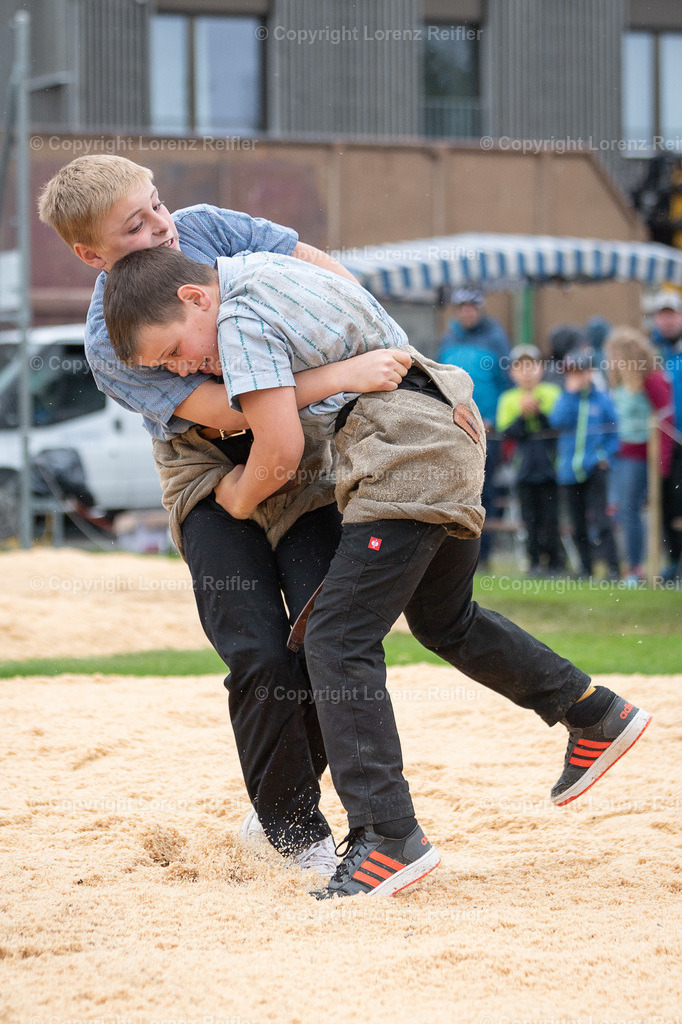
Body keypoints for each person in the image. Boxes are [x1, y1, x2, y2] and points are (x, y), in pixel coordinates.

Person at [103, 246, 652, 901]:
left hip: (402, 460)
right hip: (444, 435)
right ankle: (593, 713)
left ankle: (388, 838)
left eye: (175, 352)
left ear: (197, 297)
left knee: (336, 637)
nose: (182, 368)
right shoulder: (273, 268)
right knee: (445, 619)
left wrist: (233, 499)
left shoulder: (238, 320)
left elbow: (277, 448)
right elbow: (362, 315)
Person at [38, 154, 412, 876]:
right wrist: (340, 375)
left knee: (327, 633)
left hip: (297, 463)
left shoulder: (208, 228)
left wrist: (374, 338)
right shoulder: (108, 339)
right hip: (210, 474)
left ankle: (286, 801)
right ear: (91, 254)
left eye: (155, 203)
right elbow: (230, 409)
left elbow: (318, 270)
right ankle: (294, 831)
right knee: (258, 649)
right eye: (134, 224)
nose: (159, 223)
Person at [437, 287, 511, 570]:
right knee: (456, 491)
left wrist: (494, 418)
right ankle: (456, 555)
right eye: (462, 307)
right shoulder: (448, 338)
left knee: (486, 492)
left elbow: (506, 385)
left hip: (487, 431)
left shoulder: (496, 338)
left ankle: (485, 554)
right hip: (454, 431)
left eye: (472, 307)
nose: (467, 312)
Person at [603, 327, 674, 585]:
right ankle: (630, 565)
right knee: (620, 511)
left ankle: (637, 568)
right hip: (620, 454)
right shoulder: (618, 381)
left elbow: (666, 420)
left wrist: (663, 462)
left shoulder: (652, 379)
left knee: (633, 509)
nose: (611, 360)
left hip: (642, 455)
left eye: (616, 354)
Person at [549, 348, 620, 579]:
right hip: (569, 470)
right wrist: (570, 394)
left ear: (590, 372)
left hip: (594, 469)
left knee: (601, 520)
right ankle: (585, 568)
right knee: (577, 523)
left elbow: (614, 433)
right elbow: (557, 420)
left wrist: (603, 457)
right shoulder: (565, 398)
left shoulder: (602, 400)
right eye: (572, 372)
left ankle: (613, 569)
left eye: (580, 371)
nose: (576, 376)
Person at [495, 345, 562, 575]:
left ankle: (555, 563)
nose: (526, 372)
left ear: (540, 369)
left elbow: (555, 428)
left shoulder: (552, 393)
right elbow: (507, 433)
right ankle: (534, 562)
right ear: (513, 372)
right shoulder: (508, 398)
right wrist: (524, 415)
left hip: (550, 466)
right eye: (520, 367)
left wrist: (538, 412)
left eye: (531, 365)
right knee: (530, 518)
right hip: (523, 468)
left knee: (551, 517)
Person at [649, 291, 682, 581]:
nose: (667, 320)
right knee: (667, 502)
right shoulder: (651, 351)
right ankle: (673, 561)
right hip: (663, 440)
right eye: (663, 314)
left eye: (672, 314)